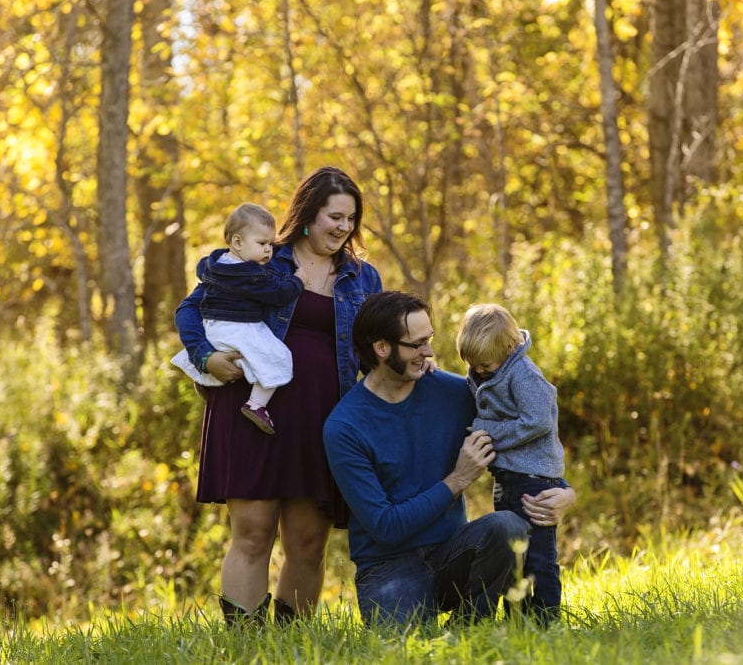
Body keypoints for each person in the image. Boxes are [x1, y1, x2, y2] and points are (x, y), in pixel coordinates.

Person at [175, 166, 382, 627]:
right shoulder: (262, 256)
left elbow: (378, 350)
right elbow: (191, 308)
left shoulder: (362, 278)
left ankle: (292, 644)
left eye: (351, 218)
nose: (344, 227)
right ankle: (247, 644)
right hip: (252, 411)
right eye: (335, 216)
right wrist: (206, 358)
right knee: (252, 533)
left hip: (323, 420)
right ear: (308, 216)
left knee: (309, 542)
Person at [322, 291, 576, 628]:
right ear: (382, 349)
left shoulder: (455, 393)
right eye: (417, 344)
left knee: (507, 527)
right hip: (389, 566)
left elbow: (532, 428)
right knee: (403, 652)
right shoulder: (345, 427)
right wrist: (457, 480)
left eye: (429, 340)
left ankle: (470, 627)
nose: (428, 351)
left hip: (455, 553)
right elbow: (386, 527)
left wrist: (565, 493)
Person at [455, 303, 569, 624]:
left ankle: (546, 620)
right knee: (511, 554)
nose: (478, 371)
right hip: (507, 477)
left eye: (484, 365)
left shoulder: (523, 374)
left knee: (538, 557)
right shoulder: (489, 368)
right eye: (472, 365)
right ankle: (517, 620)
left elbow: (537, 422)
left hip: (533, 478)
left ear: (508, 348)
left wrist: (486, 431)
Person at [171, 202, 304, 435]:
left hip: (213, 329)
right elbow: (279, 294)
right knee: (277, 357)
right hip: (239, 328)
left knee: (237, 360)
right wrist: (298, 279)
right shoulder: (249, 274)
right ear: (237, 242)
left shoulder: (215, 265)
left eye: (271, 244)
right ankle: (257, 404)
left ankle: (205, 381)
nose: (268, 251)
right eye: (262, 244)